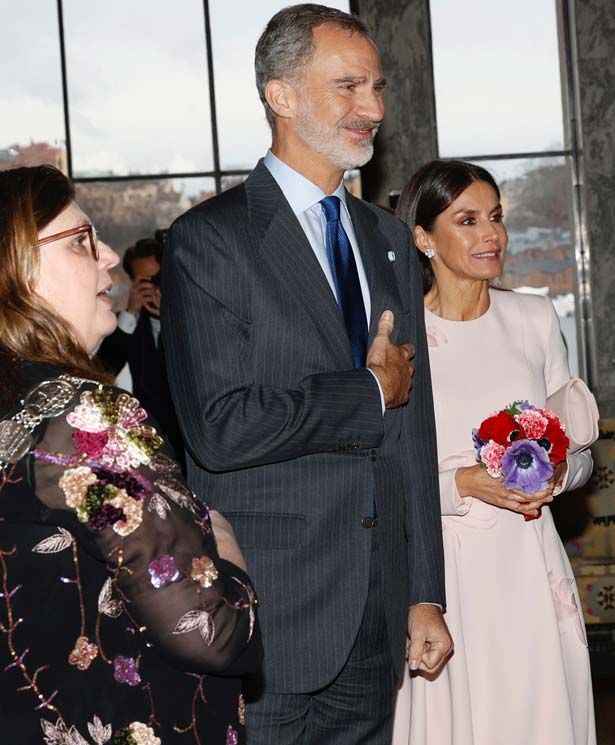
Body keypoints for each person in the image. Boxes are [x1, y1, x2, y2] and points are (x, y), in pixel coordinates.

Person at [161, 4, 450, 743]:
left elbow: (411, 431)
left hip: (378, 612)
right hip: (271, 612)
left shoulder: (385, 238)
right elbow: (219, 427)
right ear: (280, 95)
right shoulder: (210, 240)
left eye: (377, 87)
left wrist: (424, 594)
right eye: (349, 86)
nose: (374, 109)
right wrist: (366, 391)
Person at [0, 165, 261, 744]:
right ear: (14, 268)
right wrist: (227, 550)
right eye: (80, 241)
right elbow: (209, 633)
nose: (110, 256)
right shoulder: (88, 419)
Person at [391, 160, 596, 745]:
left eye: (497, 217)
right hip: (443, 567)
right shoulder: (399, 337)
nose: (493, 235)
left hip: (529, 559)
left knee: (540, 716)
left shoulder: (534, 318)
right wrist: (461, 484)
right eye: (469, 219)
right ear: (423, 237)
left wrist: (559, 472)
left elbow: (579, 451)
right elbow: (379, 471)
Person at [96, 236, 184, 463]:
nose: (155, 287)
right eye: (146, 281)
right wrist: (131, 310)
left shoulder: (191, 318)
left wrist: (172, 314)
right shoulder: (129, 324)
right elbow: (103, 369)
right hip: (153, 442)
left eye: (159, 279)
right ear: (134, 282)